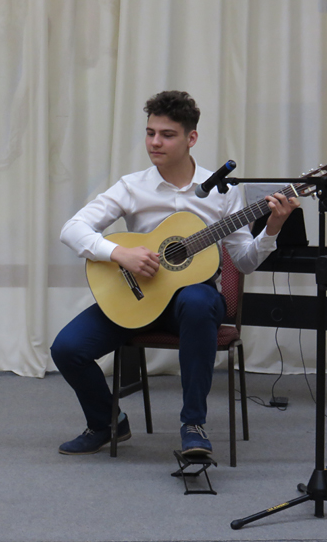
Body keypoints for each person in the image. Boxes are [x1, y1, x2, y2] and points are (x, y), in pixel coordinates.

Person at [51, 90, 298, 457]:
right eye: (150, 133)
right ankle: (107, 423)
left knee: (197, 300)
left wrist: (272, 228)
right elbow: (72, 229)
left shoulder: (223, 191)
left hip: (194, 304)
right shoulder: (132, 186)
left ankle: (193, 425)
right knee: (67, 348)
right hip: (140, 298)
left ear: (191, 138)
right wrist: (120, 253)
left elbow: (244, 261)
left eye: (167, 135)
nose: (155, 142)